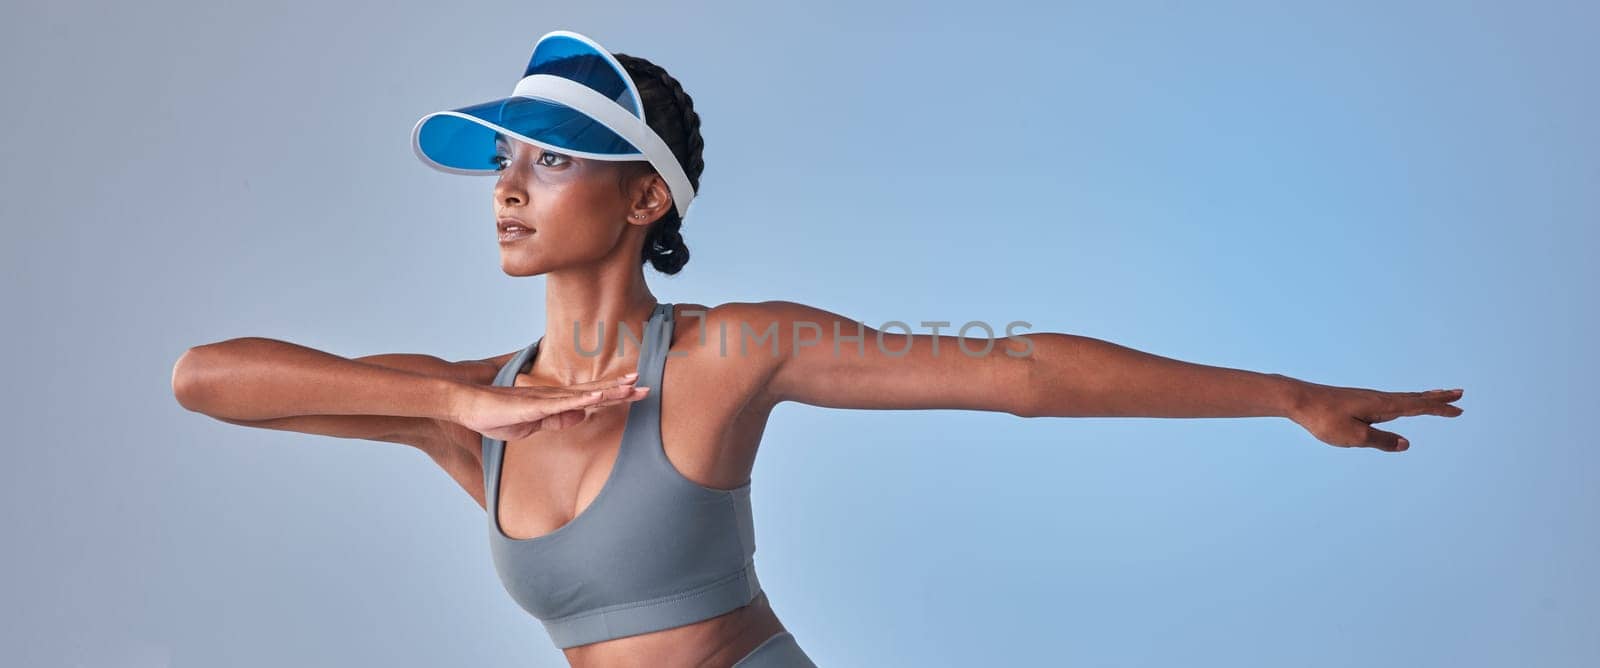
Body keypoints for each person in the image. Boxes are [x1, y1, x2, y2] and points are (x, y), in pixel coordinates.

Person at [170, 29, 1464, 668]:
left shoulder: (728, 352)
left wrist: (1287, 396)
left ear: (644, 200)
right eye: (503, 163)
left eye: (550, 158)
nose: (507, 187)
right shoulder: (473, 406)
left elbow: (1012, 374)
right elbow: (207, 377)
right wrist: (460, 401)